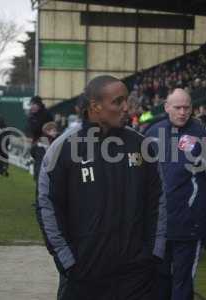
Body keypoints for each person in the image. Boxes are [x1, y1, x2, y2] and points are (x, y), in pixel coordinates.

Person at [36, 75, 166, 300]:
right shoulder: (63, 149)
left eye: (127, 100)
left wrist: (153, 255)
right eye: (118, 101)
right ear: (95, 107)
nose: (126, 107)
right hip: (83, 278)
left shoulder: (143, 146)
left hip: (136, 277)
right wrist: (69, 262)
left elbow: (159, 203)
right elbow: (47, 206)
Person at [145, 88, 206, 300]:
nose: (182, 112)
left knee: (183, 283)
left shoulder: (204, 137)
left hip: (189, 225)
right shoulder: (152, 134)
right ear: (166, 107)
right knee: (158, 282)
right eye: (177, 107)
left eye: (186, 107)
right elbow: (143, 177)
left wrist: (195, 206)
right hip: (158, 227)